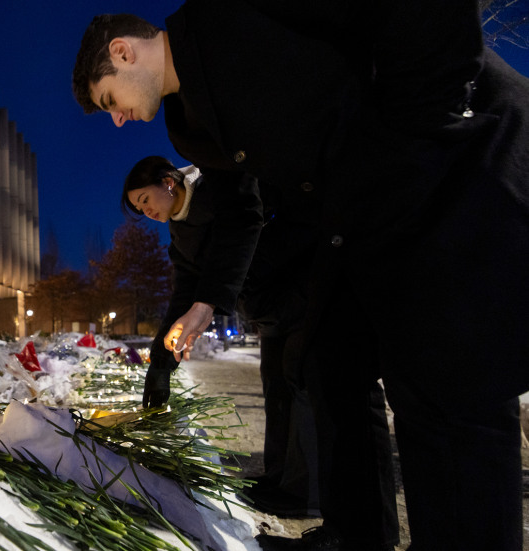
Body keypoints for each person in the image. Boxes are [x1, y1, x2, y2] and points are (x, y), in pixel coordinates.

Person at [72, 3, 529, 551]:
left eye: (109, 101)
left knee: (444, 385)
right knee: (328, 358)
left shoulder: (231, 17)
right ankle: (354, 534)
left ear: (123, 52)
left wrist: (424, 128)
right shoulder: (190, 125)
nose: (118, 119)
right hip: (356, 216)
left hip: (446, 164)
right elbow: (242, 214)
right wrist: (206, 303)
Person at [125, 156, 321, 519]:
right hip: (269, 308)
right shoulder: (180, 232)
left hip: (297, 290)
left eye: (145, 200)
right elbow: (185, 291)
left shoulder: (217, 189)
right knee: (276, 383)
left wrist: (210, 301)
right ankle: (280, 478)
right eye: (140, 208)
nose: (147, 211)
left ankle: (306, 492)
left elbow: (243, 228)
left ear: (168, 182)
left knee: (301, 382)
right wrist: (161, 363)